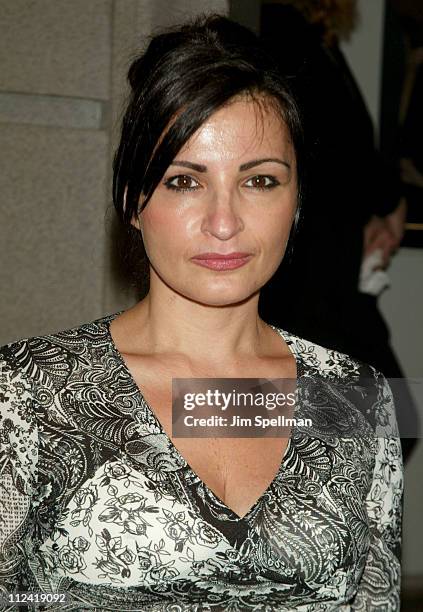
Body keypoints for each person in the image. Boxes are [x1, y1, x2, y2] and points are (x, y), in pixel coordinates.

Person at [0, 14, 403, 612]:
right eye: (184, 182)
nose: (224, 222)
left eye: (260, 181)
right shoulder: (27, 394)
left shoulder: (357, 399)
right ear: (131, 201)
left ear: (295, 203)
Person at [259, 0, 419, 463]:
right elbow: (338, 147)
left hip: (330, 279)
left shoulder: (312, 42)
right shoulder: (286, 35)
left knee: (388, 420)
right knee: (387, 419)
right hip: (308, 282)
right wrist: (387, 201)